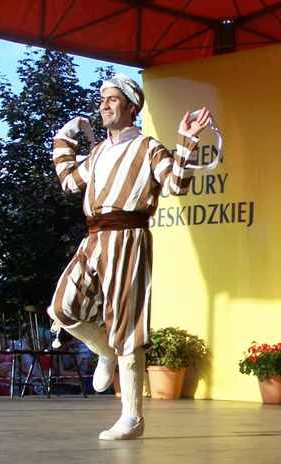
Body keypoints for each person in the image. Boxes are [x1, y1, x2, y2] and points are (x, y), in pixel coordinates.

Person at [48, 73, 210, 440]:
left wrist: (186, 142)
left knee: (126, 323)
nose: (104, 105)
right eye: (102, 99)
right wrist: (65, 136)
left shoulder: (148, 147)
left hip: (129, 236)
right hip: (94, 237)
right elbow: (69, 181)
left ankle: (132, 417)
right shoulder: (98, 152)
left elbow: (175, 184)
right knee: (61, 309)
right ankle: (106, 351)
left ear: (131, 106)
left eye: (112, 99)